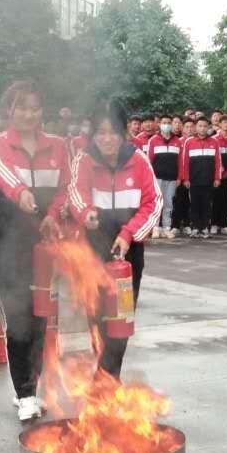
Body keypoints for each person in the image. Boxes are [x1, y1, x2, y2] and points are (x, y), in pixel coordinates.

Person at [0, 80, 71, 421]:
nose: (29, 114)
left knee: (41, 317)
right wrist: (21, 192)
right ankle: (24, 393)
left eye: (35, 108)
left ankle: (33, 383)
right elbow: (3, 174)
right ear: (10, 110)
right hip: (8, 242)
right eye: (21, 107)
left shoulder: (58, 146)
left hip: (44, 242)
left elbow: (65, 188)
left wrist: (53, 215)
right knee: (19, 316)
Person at [68, 102, 162, 378]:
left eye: (113, 132)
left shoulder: (139, 160)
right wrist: (86, 213)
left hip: (127, 251)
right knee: (96, 314)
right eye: (101, 132)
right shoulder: (84, 159)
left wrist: (128, 233)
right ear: (92, 134)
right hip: (93, 248)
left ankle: (109, 376)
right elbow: (76, 193)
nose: (107, 139)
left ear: (124, 133)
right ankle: (104, 374)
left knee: (121, 316)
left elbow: (153, 202)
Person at [178, 117, 220, 237]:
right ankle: (196, 227)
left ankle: (205, 227)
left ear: (208, 127)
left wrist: (217, 178)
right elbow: (184, 162)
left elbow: (218, 161)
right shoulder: (189, 142)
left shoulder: (214, 142)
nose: (202, 128)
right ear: (196, 127)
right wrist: (186, 178)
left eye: (205, 126)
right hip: (194, 180)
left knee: (207, 204)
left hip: (209, 180)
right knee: (195, 204)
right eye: (200, 126)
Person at [145, 115, 182, 238]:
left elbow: (180, 162)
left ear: (171, 124)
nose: (166, 125)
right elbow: (149, 161)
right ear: (159, 124)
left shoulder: (177, 141)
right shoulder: (153, 140)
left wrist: (179, 177)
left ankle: (166, 227)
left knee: (168, 204)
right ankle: (155, 227)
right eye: (164, 122)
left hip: (172, 179)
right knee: (157, 204)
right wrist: (150, 178)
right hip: (157, 178)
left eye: (168, 122)